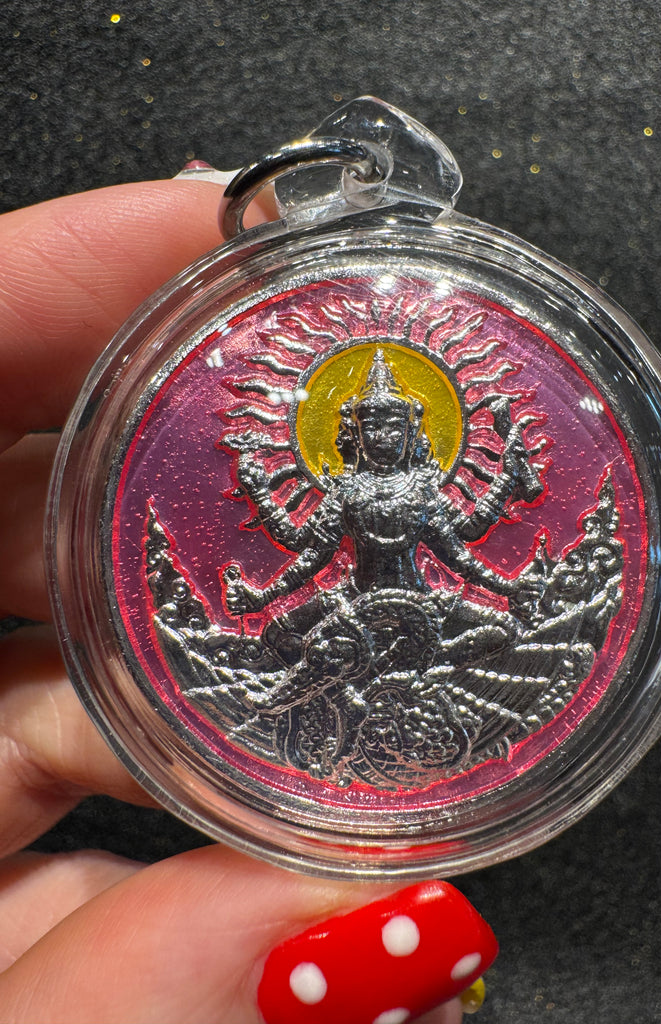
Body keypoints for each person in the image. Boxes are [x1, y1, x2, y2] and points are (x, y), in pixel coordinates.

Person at [0, 176, 496, 1022]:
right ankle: (292, 706)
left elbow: (461, 551)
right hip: (354, 608)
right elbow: (308, 560)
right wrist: (258, 585)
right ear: (350, 430)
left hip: (421, 609)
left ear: (416, 430)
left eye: (395, 425)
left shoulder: (425, 488)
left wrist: (502, 578)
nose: (383, 434)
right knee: (287, 642)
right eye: (371, 425)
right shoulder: (343, 493)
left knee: (487, 634)